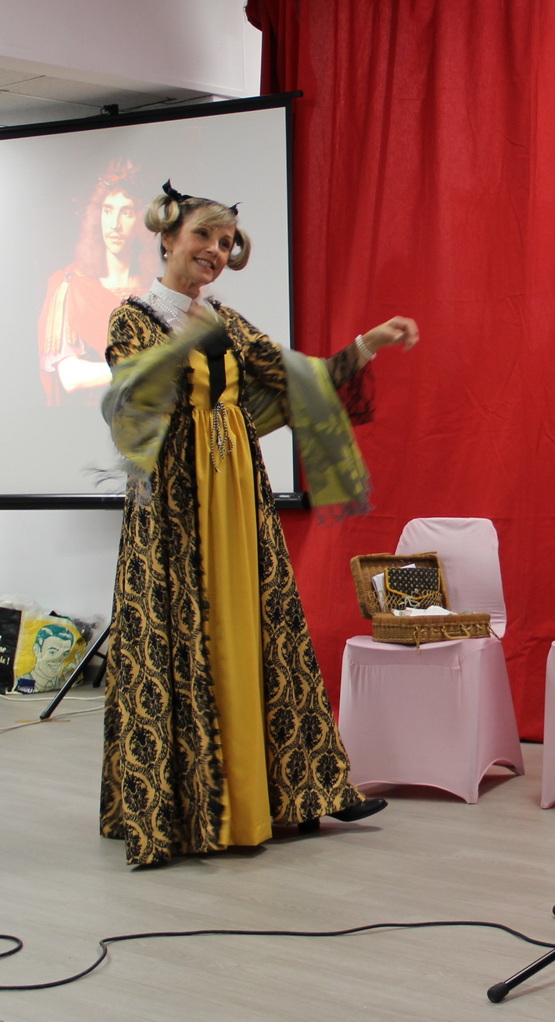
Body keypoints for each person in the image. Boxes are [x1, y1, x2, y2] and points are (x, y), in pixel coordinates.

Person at [99, 180, 420, 867]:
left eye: (225, 242)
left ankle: (305, 791)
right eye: (203, 236)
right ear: (167, 238)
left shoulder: (227, 320)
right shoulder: (134, 318)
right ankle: (194, 808)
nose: (215, 251)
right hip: (176, 506)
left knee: (266, 630)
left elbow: (297, 380)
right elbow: (134, 402)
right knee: (187, 636)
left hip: (239, 494)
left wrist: (367, 343)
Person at [38, 159, 157, 405]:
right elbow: (71, 378)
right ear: (97, 216)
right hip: (92, 416)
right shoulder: (71, 285)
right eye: (108, 210)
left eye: (126, 212)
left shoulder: (158, 291)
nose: (115, 225)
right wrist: (141, 366)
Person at [14, 623, 78, 694]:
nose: (58, 659)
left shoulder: (66, 683)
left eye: (64, 654)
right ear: (37, 650)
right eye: (52, 652)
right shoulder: (19, 681)